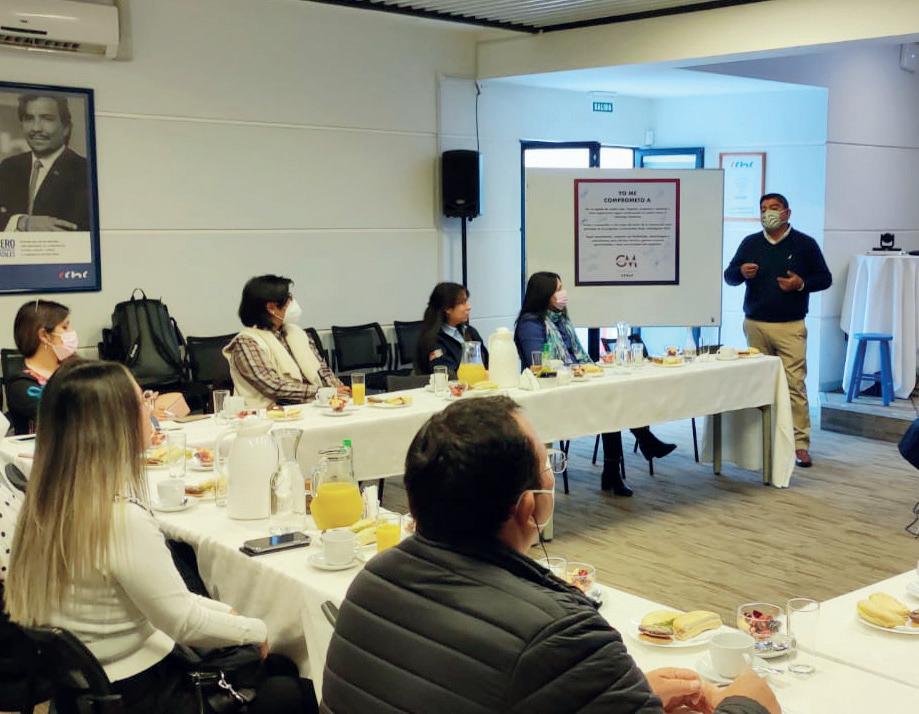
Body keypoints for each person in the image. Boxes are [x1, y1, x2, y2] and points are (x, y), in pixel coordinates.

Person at [321, 397, 779, 714]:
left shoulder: (373, 581)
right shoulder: (563, 635)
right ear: (530, 508)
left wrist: (624, 696)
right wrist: (747, 701)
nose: (551, 475)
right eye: (546, 465)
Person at [5, 360, 311, 713]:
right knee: (291, 688)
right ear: (115, 424)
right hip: (139, 691)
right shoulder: (119, 520)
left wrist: (227, 614)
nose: (150, 409)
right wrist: (256, 630)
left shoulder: (48, 505)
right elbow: (182, 622)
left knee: (272, 665)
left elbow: (158, 597)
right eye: (142, 402)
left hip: (86, 687)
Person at [514, 271, 675, 497]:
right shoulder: (530, 324)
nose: (563, 293)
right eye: (558, 289)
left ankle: (616, 469)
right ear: (544, 294)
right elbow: (538, 363)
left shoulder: (560, 320)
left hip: (574, 382)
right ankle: (637, 450)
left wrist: (588, 366)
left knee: (611, 397)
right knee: (609, 401)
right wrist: (575, 369)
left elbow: (575, 355)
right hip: (552, 391)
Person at [724, 193, 832, 468]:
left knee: (794, 385)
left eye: (774, 208)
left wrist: (800, 284)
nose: (767, 213)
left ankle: (799, 444)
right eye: (763, 209)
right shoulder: (750, 243)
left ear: (787, 213)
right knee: (759, 384)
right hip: (756, 324)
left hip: (790, 326)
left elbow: (825, 278)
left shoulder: (805, 244)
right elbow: (729, 276)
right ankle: (763, 440)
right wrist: (741, 272)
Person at [224, 274, 348, 408]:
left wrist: (339, 389)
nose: (293, 302)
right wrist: (322, 392)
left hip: (314, 406)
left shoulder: (296, 332)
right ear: (271, 308)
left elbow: (321, 370)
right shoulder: (246, 342)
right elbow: (272, 386)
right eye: (288, 298)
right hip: (270, 414)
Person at [0, 94, 90, 232]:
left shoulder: (85, 172)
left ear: (66, 128)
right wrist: (21, 222)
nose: (36, 128)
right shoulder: (9, 167)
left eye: (47, 119)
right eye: (29, 119)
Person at [6, 299, 77, 434]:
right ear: (44, 335)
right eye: (65, 327)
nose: (72, 332)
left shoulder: (76, 366)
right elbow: (63, 415)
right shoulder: (20, 385)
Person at [415, 282, 488, 375]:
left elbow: (487, 361)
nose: (469, 307)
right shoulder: (433, 341)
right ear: (447, 308)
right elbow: (448, 374)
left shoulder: (469, 331)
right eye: (462, 303)